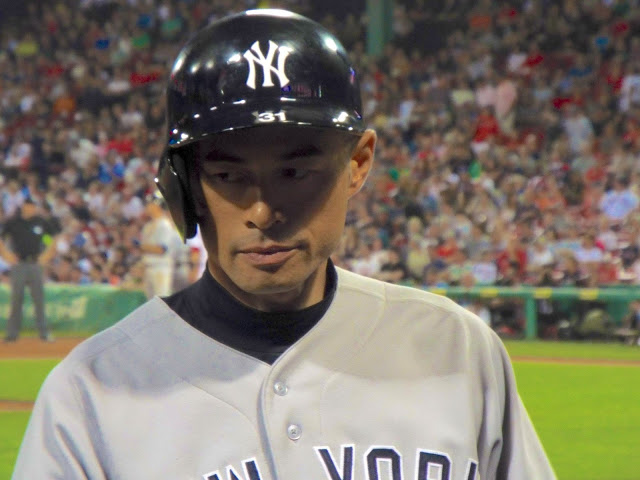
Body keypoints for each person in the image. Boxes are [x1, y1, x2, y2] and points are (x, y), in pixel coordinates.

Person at [12, 10, 556, 480]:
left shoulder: (457, 349)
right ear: (183, 186)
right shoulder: (91, 392)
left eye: (295, 172)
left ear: (358, 163)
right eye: (228, 176)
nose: (262, 211)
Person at [0, 199, 59, 342]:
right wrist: (6, 254)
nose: (31, 209)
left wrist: (46, 255)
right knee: (16, 299)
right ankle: (12, 334)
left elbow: (52, 238)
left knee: (39, 299)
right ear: (24, 207)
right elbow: (2, 238)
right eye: (29, 206)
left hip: (35, 263)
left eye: (33, 206)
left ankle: (44, 333)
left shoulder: (40, 222)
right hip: (19, 263)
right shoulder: (14, 222)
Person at [138, 194, 183, 298]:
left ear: (156, 206)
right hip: (148, 266)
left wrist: (142, 247)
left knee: (162, 300)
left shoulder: (164, 224)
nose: (147, 207)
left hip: (161, 267)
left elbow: (162, 249)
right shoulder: (148, 225)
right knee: (150, 301)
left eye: (150, 204)